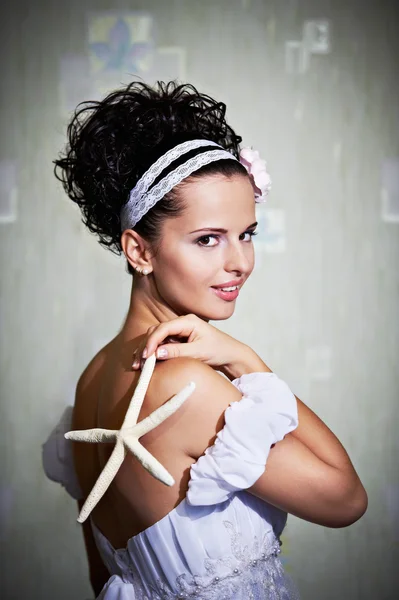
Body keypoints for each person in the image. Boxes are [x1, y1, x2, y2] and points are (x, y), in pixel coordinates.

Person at [42, 81, 368, 599]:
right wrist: (246, 359)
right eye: (208, 239)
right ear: (139, 251)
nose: (238, 261)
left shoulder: (93, 379)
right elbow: (346, 499)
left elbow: (103, 576)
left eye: (247, 233)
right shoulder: (186, 386)